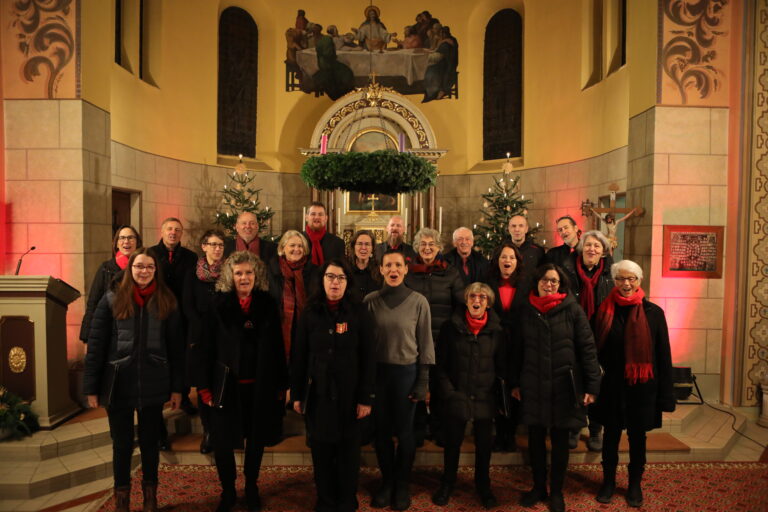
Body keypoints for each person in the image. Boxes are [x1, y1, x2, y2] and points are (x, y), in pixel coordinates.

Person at [83, 248, 183, 512]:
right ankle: (122, 500)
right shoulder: (112, 299)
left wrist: (177, 388)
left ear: (156, 271)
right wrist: (91, 388)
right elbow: (96, 346)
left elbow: (176, 349)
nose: (144, 271)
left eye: (150, 267)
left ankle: (150, 497)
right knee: (122, 444)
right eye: (139, 266)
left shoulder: (166, 300)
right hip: (119, 382)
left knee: (151, 443)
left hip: (154, 380)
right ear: (130, 269)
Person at [194, 251, 288, 512]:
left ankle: (251, 486)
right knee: (223, 443)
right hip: (226, 388)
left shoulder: (267, 304)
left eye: (248, 273)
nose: (244, 277)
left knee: (255, 441)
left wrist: (281, 386)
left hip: (260, 388)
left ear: (256, 275)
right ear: (229, 276)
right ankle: (228, 490)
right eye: (238, 273)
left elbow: (278, 349)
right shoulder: (217, 306)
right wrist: (203, 387)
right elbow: (205, 350)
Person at [512, 264, 601, 512]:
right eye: (544, 280)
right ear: (537, 282)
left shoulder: (573, 309)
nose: (549, 284)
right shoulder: (525, 310)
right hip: (534, 384)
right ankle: (539, 487)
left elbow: (587, 349)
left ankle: (557, 491)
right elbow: (516, 351)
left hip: (565, 387)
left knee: (561, 443)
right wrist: (515, 383)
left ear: (560, 284)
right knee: (536, 440)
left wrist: (592, 386)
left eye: (554, 281)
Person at [291, 258, 376, 512]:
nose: (335, 282)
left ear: (347, 282)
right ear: (322, 280)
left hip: (351, 396)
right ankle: (325, 499)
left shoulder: (359, 312)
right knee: (321, 451)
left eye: (340, 278)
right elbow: (299, 355)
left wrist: (366, 398)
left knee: (349, 453)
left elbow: (369, 357)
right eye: (330, 277)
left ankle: (347, 498)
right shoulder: (310, 311)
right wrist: (296, 393)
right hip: (318, 394)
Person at [591, 260, 675, 508]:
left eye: (631, 279)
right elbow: (592, 351)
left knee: (638, 437)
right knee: (610, 436)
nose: (626, 284)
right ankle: (607, 481)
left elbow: (663, 355)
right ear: (614, 281)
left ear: (640, 281)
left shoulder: (654, 313)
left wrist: (666, 395)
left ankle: (634, 484)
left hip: (642, 388)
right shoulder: (603, 310)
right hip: (611, 387)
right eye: (620, 279)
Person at [365, 250, 434, 511]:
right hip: (378, 375)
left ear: (405, 269)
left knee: (405, 434)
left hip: (407, 374)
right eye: (388, 266)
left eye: (397, 265)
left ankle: (402, 483)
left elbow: (426, 343)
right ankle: (387, 483)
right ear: (381, 270)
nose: (393, 270)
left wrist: (423, 381)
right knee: (381, 433)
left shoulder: (419, 302)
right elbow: (364, 344)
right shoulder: (370, 301)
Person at [431, 282, 506, 509]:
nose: (477, 300)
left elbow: (501, 368)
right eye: (473, 296)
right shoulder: (450, 328)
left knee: (484, 446)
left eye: (483, 298)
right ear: (466, 299)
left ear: (489, 303)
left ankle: (483, 486)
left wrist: (496, 397)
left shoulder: (498, 331)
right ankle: (448, 483)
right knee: (452, 444)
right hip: (457, 395)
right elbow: (440, 365)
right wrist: (450, 393)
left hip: (485, 397)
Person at [405, 228, 464, 446]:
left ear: (439, 248)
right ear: (417, 247)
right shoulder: (408, 272)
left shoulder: (450, 272)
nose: (427, 248)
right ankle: (418, 429)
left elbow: (461, 303)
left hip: (442, 339)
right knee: (417, 384)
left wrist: (452, 329)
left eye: (432, 244)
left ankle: (438, 429)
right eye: (423, 244)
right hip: (415, 339)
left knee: (439, 385)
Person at [150, 217, 199, 439]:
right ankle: (161, 397)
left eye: (177, 230)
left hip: (183, 313)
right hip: (159, 313)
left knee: (183, 356)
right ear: (162, 231)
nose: (173, 233)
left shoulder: (190, 257)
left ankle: (185, 396)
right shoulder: (150, 254)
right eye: (169, 229)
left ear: (181, 234)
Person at [567, 230, 614, 451]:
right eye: (588, 245)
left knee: (598, 384)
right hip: (574, 334)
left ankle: (596, 429)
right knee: (576, 381)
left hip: (601, 336)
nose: (591, 249)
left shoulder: (611, 275)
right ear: (581, 248)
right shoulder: (568, 272)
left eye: (596, 246)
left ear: (603, 251)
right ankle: (575, 426)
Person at [184, 229, 227, 455]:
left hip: (225, 336)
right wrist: (202, 329)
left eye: (220, 244)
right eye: (213, 244)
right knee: (204, 384)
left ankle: (224, 430)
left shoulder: (229, 272)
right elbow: (187, 305)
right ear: (204, 246)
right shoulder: (192, 273)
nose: (217, 248)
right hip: (200, 336)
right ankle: (208, 431)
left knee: (223, 381)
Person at [485, 241, 528, 452]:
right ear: (497, 260)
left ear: (517, 262)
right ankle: (499, 434)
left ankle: (510, 434)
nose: (507, 261)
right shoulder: (487, 282)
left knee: (514, 387)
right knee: (497, 385)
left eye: (511, 257)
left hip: (519, 343)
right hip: (494, 342)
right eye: (503, 257)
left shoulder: (526, 284)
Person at [80, 225, 142, 342]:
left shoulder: (144, 267)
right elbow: (93, 302)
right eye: (122, 238)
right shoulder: (106, 268)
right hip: (111, 329)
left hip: (137, 328)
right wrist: (86, 336)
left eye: (130, 238)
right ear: (116, 243)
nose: (126, 241)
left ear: (137, 242)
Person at [267, 229, 317, 360]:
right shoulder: (270, 270)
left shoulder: (314, 271)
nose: (297, 249)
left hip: (306, 327)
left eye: (300, 246)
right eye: (292, 245)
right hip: (278, 328)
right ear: (283, 248)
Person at [303, 201, 345, 266]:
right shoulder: (298, 240)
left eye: (320, 214)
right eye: (313, 214)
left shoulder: (337, 243)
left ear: (326, 218)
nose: (317, 217)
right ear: (306, 218)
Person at [422, 26, 458, 102]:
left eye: (441, 33)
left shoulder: (446, 43)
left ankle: (432, 94)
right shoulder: (448, 40)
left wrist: (426, 56)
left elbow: (438, 56)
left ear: (444, 34)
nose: (440, 35)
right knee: (429, 69)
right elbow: (436, 51)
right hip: (444, 63)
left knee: (430, 71)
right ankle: (430, 92)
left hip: (447, 66)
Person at [508, 215, 544, 281]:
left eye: (521, 226)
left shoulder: (537, 251)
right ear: (509, 229)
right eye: (513, 226)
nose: (517, 229)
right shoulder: (501, 250)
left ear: (526, 229)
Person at [347, 230, 381, 298]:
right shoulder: (345, 267)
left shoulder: (380, 269)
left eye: (367, 244)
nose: (363, 248)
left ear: (372, 248)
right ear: (354, 247)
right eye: (359, 244)